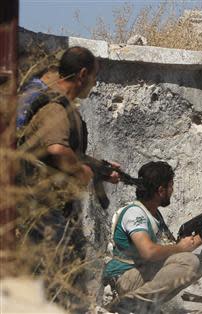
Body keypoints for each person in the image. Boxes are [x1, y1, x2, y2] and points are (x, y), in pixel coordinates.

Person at [18, 46, 120, 244]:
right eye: (94, 76)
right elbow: (57, 149)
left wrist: (100, 168)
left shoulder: (64, 105)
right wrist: (81, 170)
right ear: (82, 74)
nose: (95, 82)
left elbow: (69, 151)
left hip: (52, 205)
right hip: (42, 207)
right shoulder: (55, 108)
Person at [103, 161, 202, 313]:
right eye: (170, 186)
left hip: (140, 274)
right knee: (190, 261)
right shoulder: (135, 213)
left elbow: (179, 249)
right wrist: (180, 247)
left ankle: (145, 305)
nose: (172, 190)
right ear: (160, 190)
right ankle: (129, 302)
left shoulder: (154, 214)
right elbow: (149, 252)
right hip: (124, 278)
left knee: (200, 262)